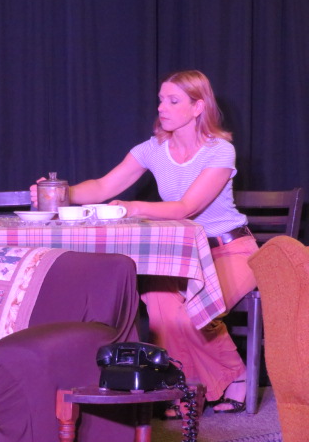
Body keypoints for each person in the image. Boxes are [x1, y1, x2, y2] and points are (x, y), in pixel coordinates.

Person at [31, 70, 258, 416]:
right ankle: (188, 389)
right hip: (182, 254)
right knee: (159, 300)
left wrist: (133, 207)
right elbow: (104, 186)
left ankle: (232, 376)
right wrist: (58, 192)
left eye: (173, 101)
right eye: (161, 100)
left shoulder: (220, 151)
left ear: (198, 107)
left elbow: (186, 207)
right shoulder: (152, 149)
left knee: (192, 311)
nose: (162, 107)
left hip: (230, 250)